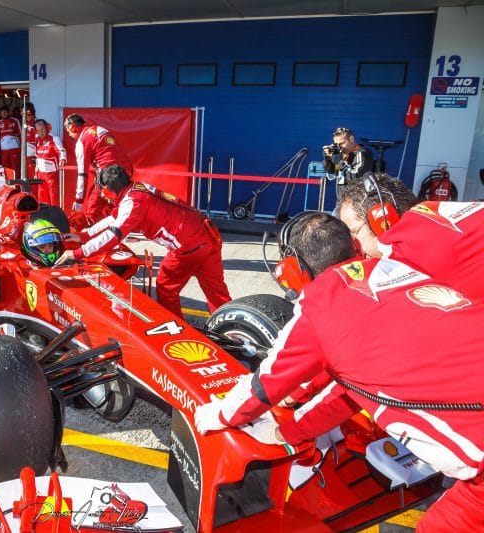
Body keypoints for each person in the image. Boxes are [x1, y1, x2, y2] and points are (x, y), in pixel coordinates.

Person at [193, 212, 484, 532]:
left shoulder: (320, 307)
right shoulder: (400, 269)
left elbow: (265, 385)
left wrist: (219, 414)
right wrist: (285, 434)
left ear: (294, 269)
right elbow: (350, 391)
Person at [56, 165, 230, 318]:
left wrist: (78, 252)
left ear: (108, 190)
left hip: (188, 245)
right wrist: (84, 236)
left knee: (165, 285)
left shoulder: (132, 203)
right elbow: (114, 218)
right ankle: (234, 329)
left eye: (103, 191)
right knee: (217, 294)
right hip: (209, 234)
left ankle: (177, 328)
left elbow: (112, 235)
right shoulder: (136, 189)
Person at [338, 172, 484, 301]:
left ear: (382, 220)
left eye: (354, 232)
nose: (353, 244)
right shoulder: (437, 210)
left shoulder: (409, 254)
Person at [63, 114, 133, 223]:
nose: (69, 135)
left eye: (69, 131)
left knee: (93, 209)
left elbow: (82, 174)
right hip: (127, 171)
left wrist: (79, 201)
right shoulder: (98, 129)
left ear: (73, 128)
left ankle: (95, 234)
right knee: (118, 205)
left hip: (109, 176)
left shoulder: (82, 141)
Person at [322, 127, 374, 201]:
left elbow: (355, 177)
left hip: (357, 201)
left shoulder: (363, 153)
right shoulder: (343, 154)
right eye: (336, 145)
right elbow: (334, 172)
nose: (339, 147)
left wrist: (340, 162)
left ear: (351, 139)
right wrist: (328, 159)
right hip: (342, 200)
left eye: (342, 143)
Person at [34, 119, 67, 206]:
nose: (40, 132)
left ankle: (55, 216)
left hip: (52, 174)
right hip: (40, 174)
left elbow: (62, 150)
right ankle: (44, 216)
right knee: (41, 197)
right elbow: (37, 157)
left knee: (54, 197)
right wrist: (36, 172)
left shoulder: (54, 138)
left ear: (47, 128)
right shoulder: (37, 139)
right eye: (38, 130)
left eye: (42, 129)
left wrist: (63, 159)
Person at [0, 105, 21, 178]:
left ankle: (17, 185)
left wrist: (21, 147)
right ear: (0, 114)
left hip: (14, 148)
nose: (4, 114)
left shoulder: (15, 121)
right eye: (2, 113)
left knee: (16, 167)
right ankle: (9, 185)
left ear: (9, 112)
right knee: (6, 168)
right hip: (4, 150)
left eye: (5, 113)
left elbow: (20, 133)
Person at [23, 102, 37, 181]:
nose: (21, 113)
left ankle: (34, 193)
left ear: (28, 111)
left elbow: (39, 139)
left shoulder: (36, 122)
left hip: (33, 155)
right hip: (26, 155)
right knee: (27, 176)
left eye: (23, 111)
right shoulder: (25, 122)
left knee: (33, 177)